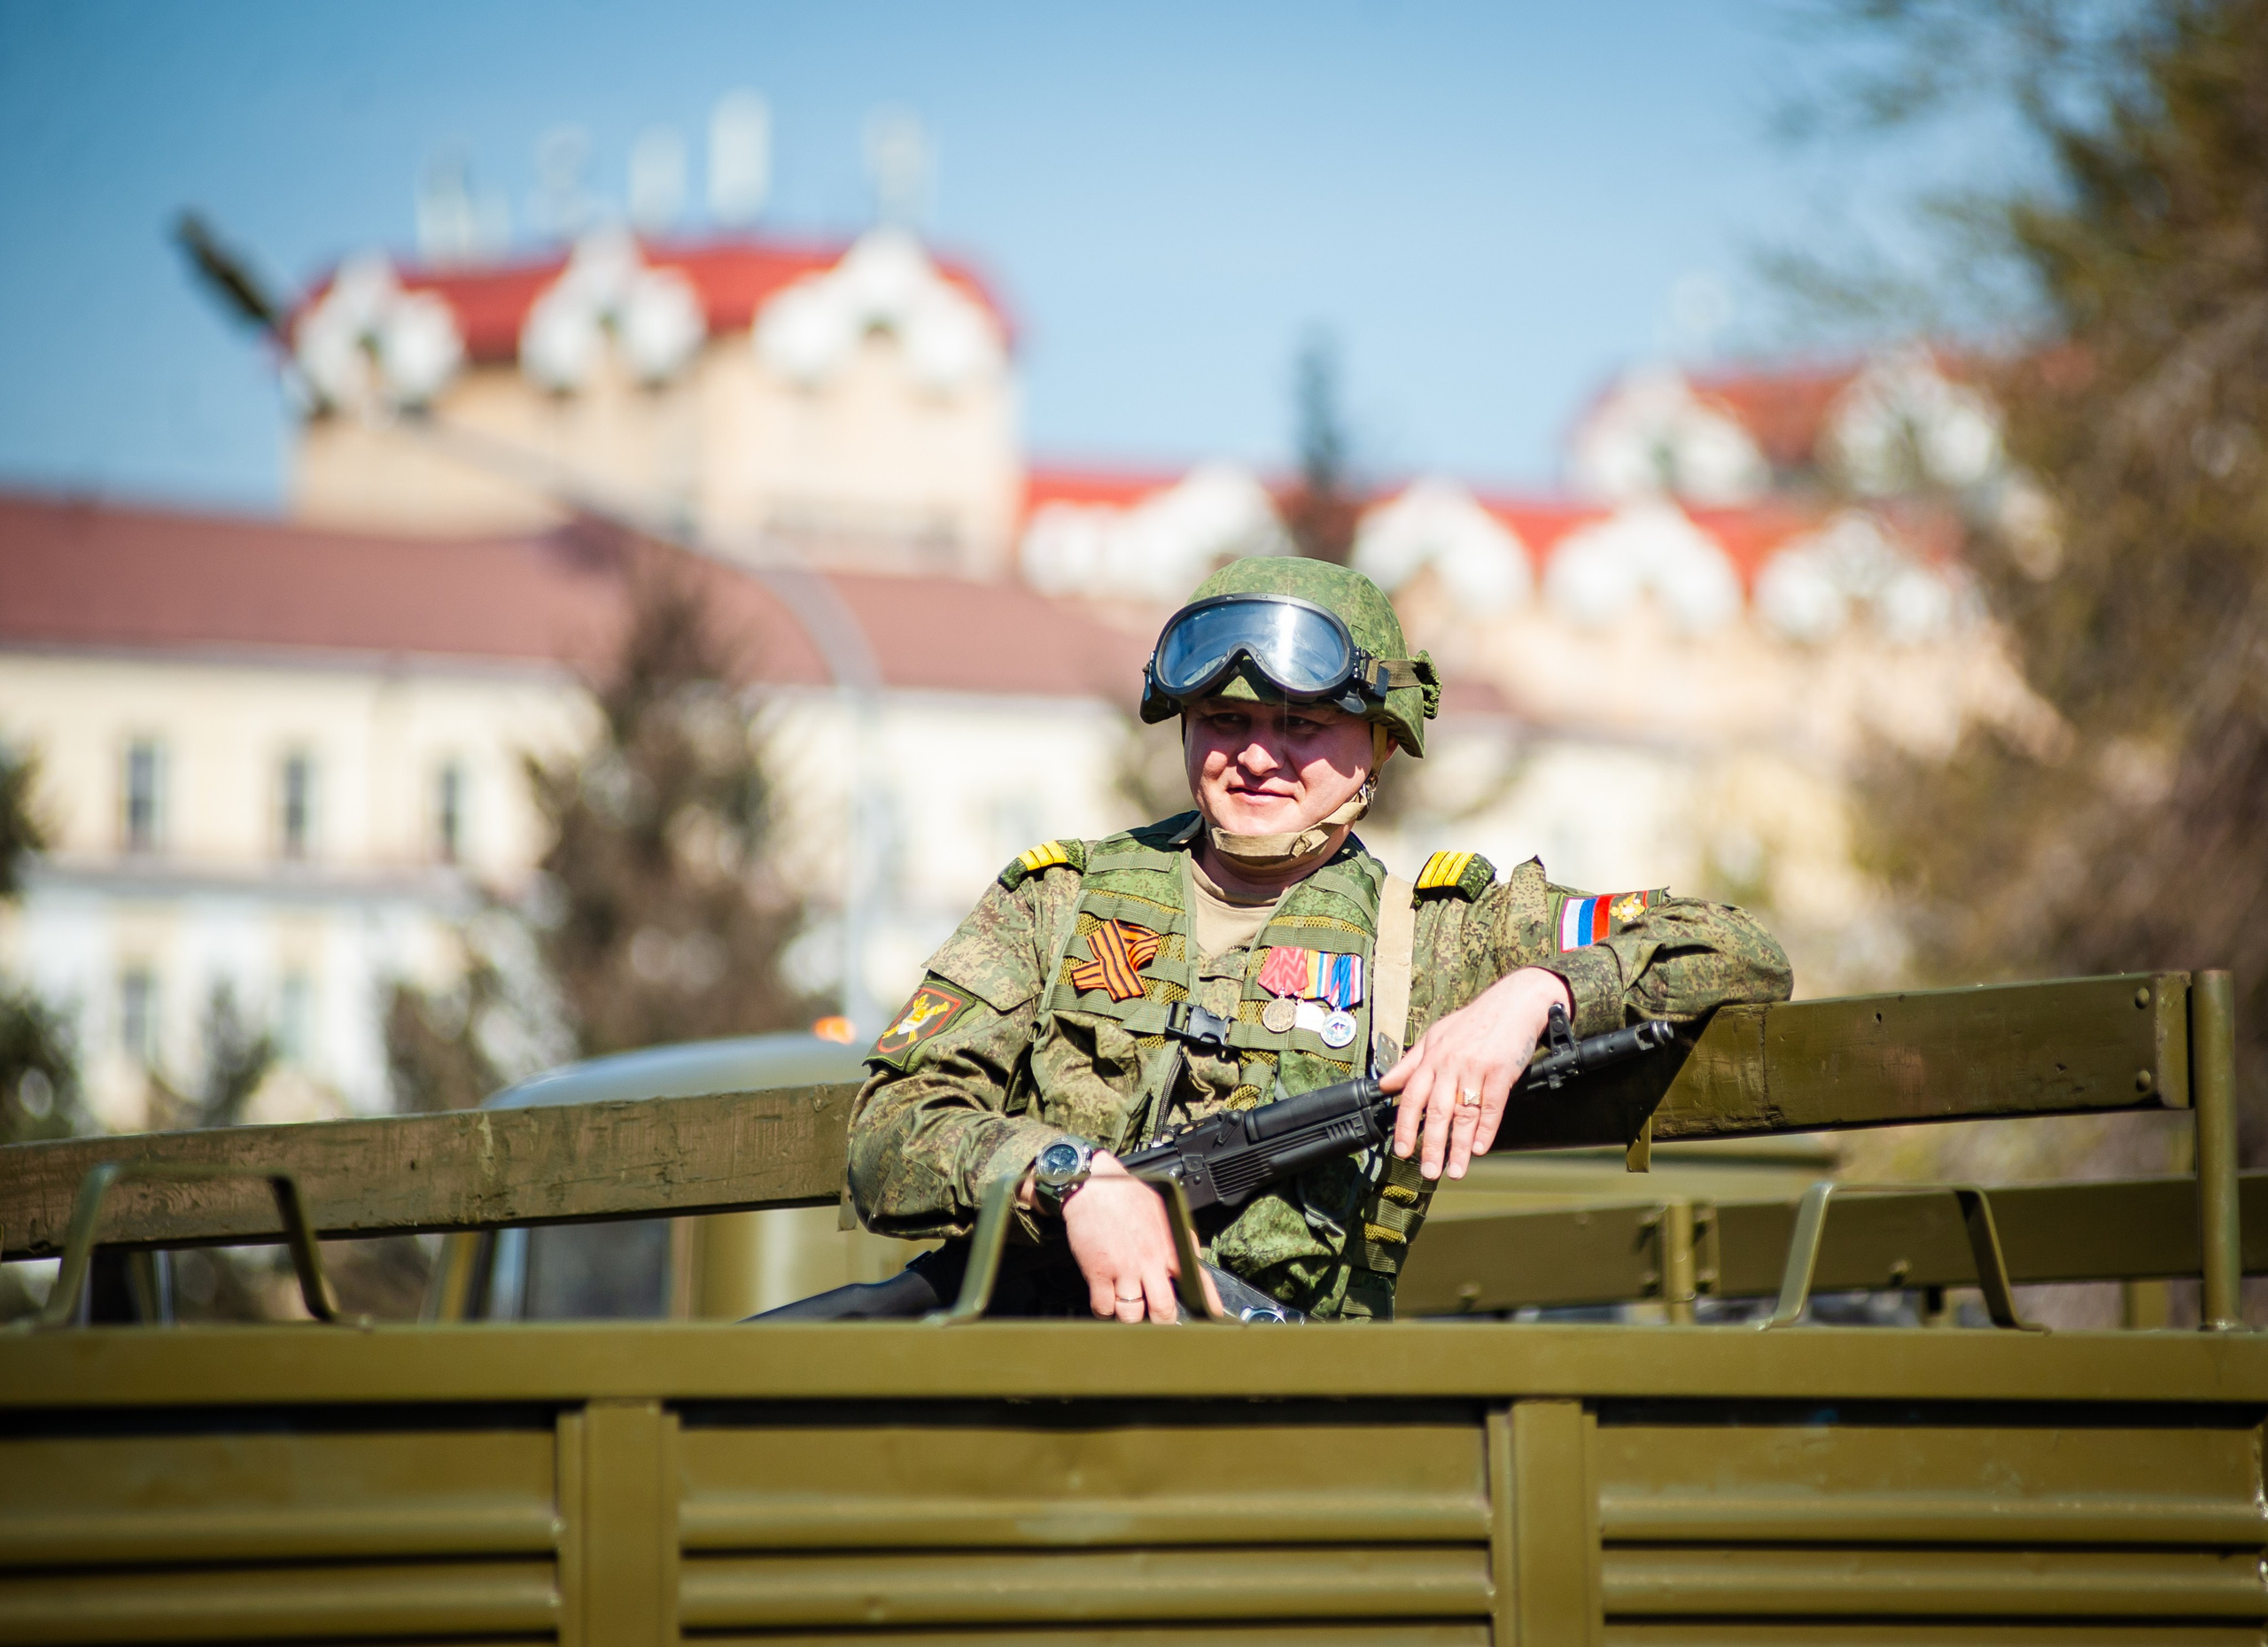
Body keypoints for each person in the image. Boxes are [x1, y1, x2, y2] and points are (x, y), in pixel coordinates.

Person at [847, 556, 1791, 1321]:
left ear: (1378, 743)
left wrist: (1538, 992)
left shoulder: (1438, 933)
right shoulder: (1057, 901)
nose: (1258, 755)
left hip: (1290, 1397)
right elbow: (891, 1126)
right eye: (1225, 719)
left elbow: (1740, 947)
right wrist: (1068, 1178)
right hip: (1024, 1361)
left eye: (1301, 726)